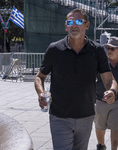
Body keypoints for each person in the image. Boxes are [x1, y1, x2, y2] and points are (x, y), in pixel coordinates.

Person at [34, 8, 117, 150]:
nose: (74, 25)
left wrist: (112, 91)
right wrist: (41, 93)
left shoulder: (96, 50)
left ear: (87, 25)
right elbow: (39, 77)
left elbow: (110, 80)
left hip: (86, 116)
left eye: (78, 21)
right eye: (70, 22)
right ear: (66, 26)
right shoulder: (54, 49)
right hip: (59, 117)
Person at [95, 36, 118, 150]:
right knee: (100, 125)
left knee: (116, 127)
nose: (109, 51)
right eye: (108, 48)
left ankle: (114, 148)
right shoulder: (102, 63)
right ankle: (101, 145)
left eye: (112, 48)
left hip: (117, 102)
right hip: (100, 100)